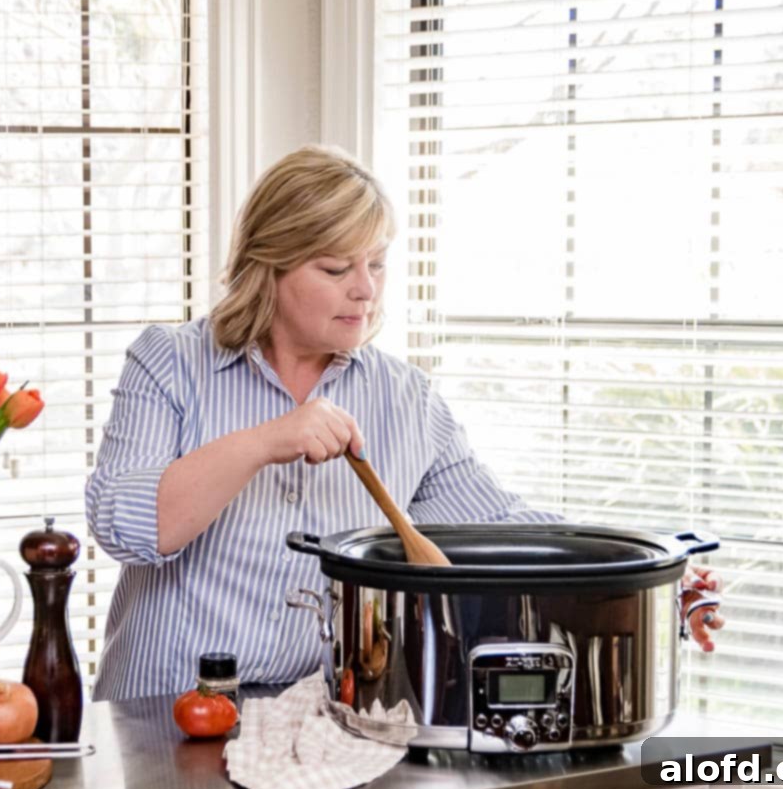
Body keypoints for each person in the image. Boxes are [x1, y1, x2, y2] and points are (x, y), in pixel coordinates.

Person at [85, 145, 724, 701]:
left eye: (377, 263)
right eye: (336, 268)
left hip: (316, 721)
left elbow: (507, 528)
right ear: (268, 266)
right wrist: (267, 439)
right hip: (161, 714)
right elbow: (127, 526)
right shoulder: (170, 363)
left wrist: (654, 576)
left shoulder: (405, 399)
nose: (365, 289)